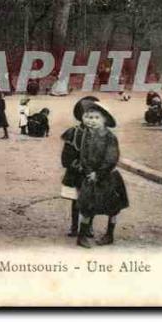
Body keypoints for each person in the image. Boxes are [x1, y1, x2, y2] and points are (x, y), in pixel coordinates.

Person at [75, 101, 129, 248]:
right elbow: (83, 155)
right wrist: (88, 171)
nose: (92, 121)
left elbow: (111, 158)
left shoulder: (110, 137)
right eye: (89, 117)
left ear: (104, 120)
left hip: (107, 177)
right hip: (90, 177)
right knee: (87, 206)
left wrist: (98, 173)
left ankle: (109, 234)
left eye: (96, 118)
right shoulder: (87, 135)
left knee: (112, 207)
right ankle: (82, 236)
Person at [61, 96, 99, 238]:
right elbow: (66, 157)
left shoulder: (101, 134)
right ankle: (74, 226)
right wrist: (76, 165)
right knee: (77, 201)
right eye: (87, 116)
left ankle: (88, 227)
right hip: (78, 173)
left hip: (93, 173)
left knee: (92, 202)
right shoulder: (74, 132)